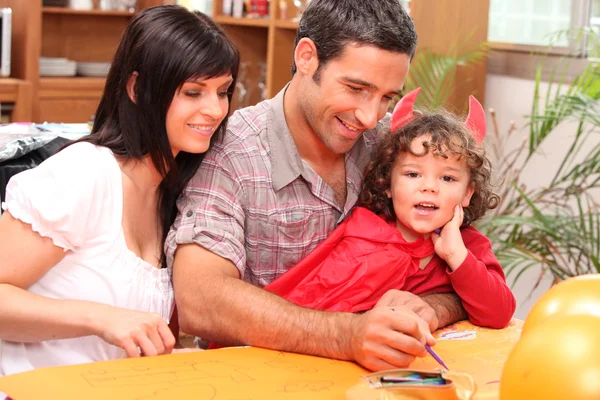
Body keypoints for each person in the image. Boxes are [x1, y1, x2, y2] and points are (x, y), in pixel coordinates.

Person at [168, 0, 467, 372]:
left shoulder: (392, 148)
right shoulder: (231, 151)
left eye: (387, 96)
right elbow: (200, 299)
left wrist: (433, 307)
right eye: (357, 88)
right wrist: (344, 336)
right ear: (307, 57)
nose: (370, 116)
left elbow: (466, 267)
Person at [0, 5, 239, 376]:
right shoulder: (84, 172)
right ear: (137, 88)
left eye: (222, 91)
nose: (215, 109)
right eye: (193, 92)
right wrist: (101, 319)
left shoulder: (175, 193)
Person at [266, 88, 516, 329]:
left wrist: (457, 256)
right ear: (388, 184)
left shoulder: (470, 246)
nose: (429, 187)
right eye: (413, 174)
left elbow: (499, 313)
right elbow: (315, 304)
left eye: (447, 178)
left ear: (467, 193)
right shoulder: (363, 235)